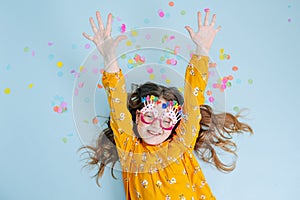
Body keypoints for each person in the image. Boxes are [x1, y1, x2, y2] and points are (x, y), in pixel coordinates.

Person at [79, 11, 253, 200]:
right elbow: (117, 102)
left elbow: (194, 99)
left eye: (167, 120)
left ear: (175, 125)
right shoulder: (130, 150)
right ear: (137, 117)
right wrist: (109, 56)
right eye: (149, 116)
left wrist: (202, 50)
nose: (155, 126)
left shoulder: (181, 144)